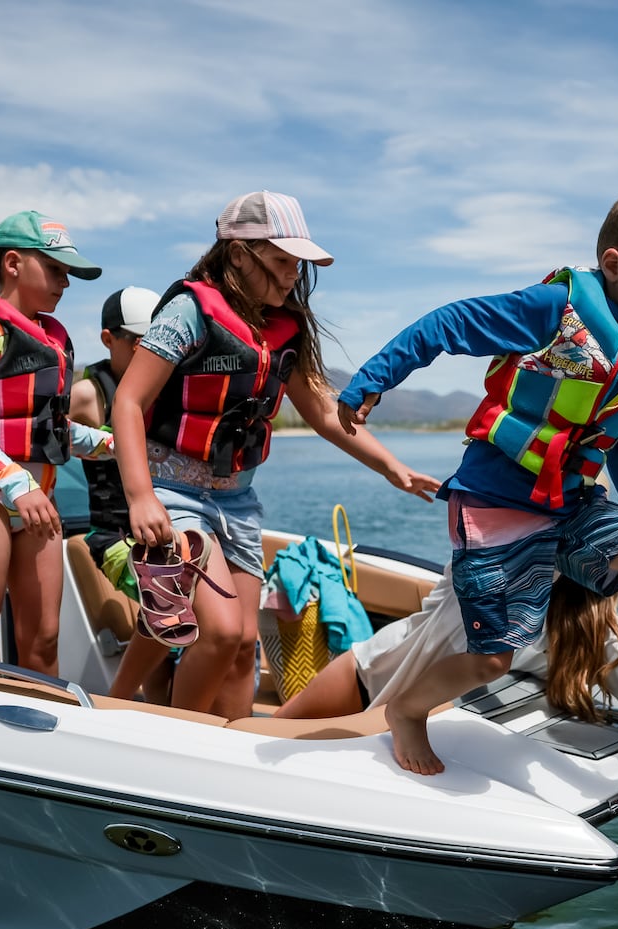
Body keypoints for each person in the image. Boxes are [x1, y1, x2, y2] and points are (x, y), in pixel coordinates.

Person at [339, 187, 618, 777]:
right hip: (495, 504)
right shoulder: (551, 310)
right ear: (613, 264)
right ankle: (407, 709)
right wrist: (372, 381)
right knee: (491, 662)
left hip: (571, 502)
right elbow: (447, 324)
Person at [111, 191, 440, 720]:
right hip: (173, 489)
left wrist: (392, 468)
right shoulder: (189, 310)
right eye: (282, 261)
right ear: (239, 254)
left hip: (237, 501)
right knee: (217, 632)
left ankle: (233, 746)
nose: (292, 276)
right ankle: (177, 741)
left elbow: (326, 414)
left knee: (244, 646)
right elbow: (129, 400)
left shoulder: (284, 328)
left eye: (298, 265)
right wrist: (141, 497)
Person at [277, 570, 618, 793]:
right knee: (255, 737)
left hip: (389, 716)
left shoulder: (589, 633)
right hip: (365, 680)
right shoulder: (480, 575)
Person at [0, 211, 113, 675]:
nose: (65, 283)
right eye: (56, 269)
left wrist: (118, 445)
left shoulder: (51, 339)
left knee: (44, 639)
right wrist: (17, 484)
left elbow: (52, 430)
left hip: (39, 497)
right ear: (13, 263)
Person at [71, 286, 176, 702]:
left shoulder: (164, 389)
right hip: (114, 535)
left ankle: (161, 712)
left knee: (179, 618)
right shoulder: (87, 395)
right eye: (135, 341)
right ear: (108, 338)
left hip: (162, 529)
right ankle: (117, 703)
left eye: (152, 342)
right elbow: (38, 446)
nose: (144, 351)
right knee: (167, 602)